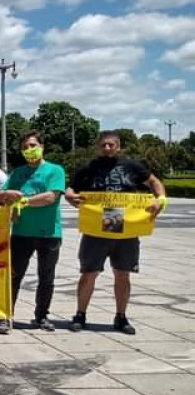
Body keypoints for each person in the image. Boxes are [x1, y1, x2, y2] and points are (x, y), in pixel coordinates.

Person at [64, 130, 166, 335]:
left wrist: (160, 199)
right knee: (88, 274)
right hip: (96, 229)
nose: (107, 148)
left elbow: (154, 182)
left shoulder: (132, 166)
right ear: (98, 147)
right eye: (103, 145)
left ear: (119, 146)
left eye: (111, 144)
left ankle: (121, 316)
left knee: (123, 274)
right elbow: (70, 189)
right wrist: (70, 197)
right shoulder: (89, 168)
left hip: (126, 230)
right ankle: (80, 314)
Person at [0, 131, 66, 333]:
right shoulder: (18, 173)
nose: (29, 150)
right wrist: (7, 194)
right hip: (21, 232)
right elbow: (3, 193)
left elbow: (50, 197)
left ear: (42, 146)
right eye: (25, 147)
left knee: (46, 277)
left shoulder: (55, 170)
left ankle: (41, 316)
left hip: (49, 233)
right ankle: (6, 315)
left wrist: (24, 200)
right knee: (14, 276)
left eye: (33, 145)